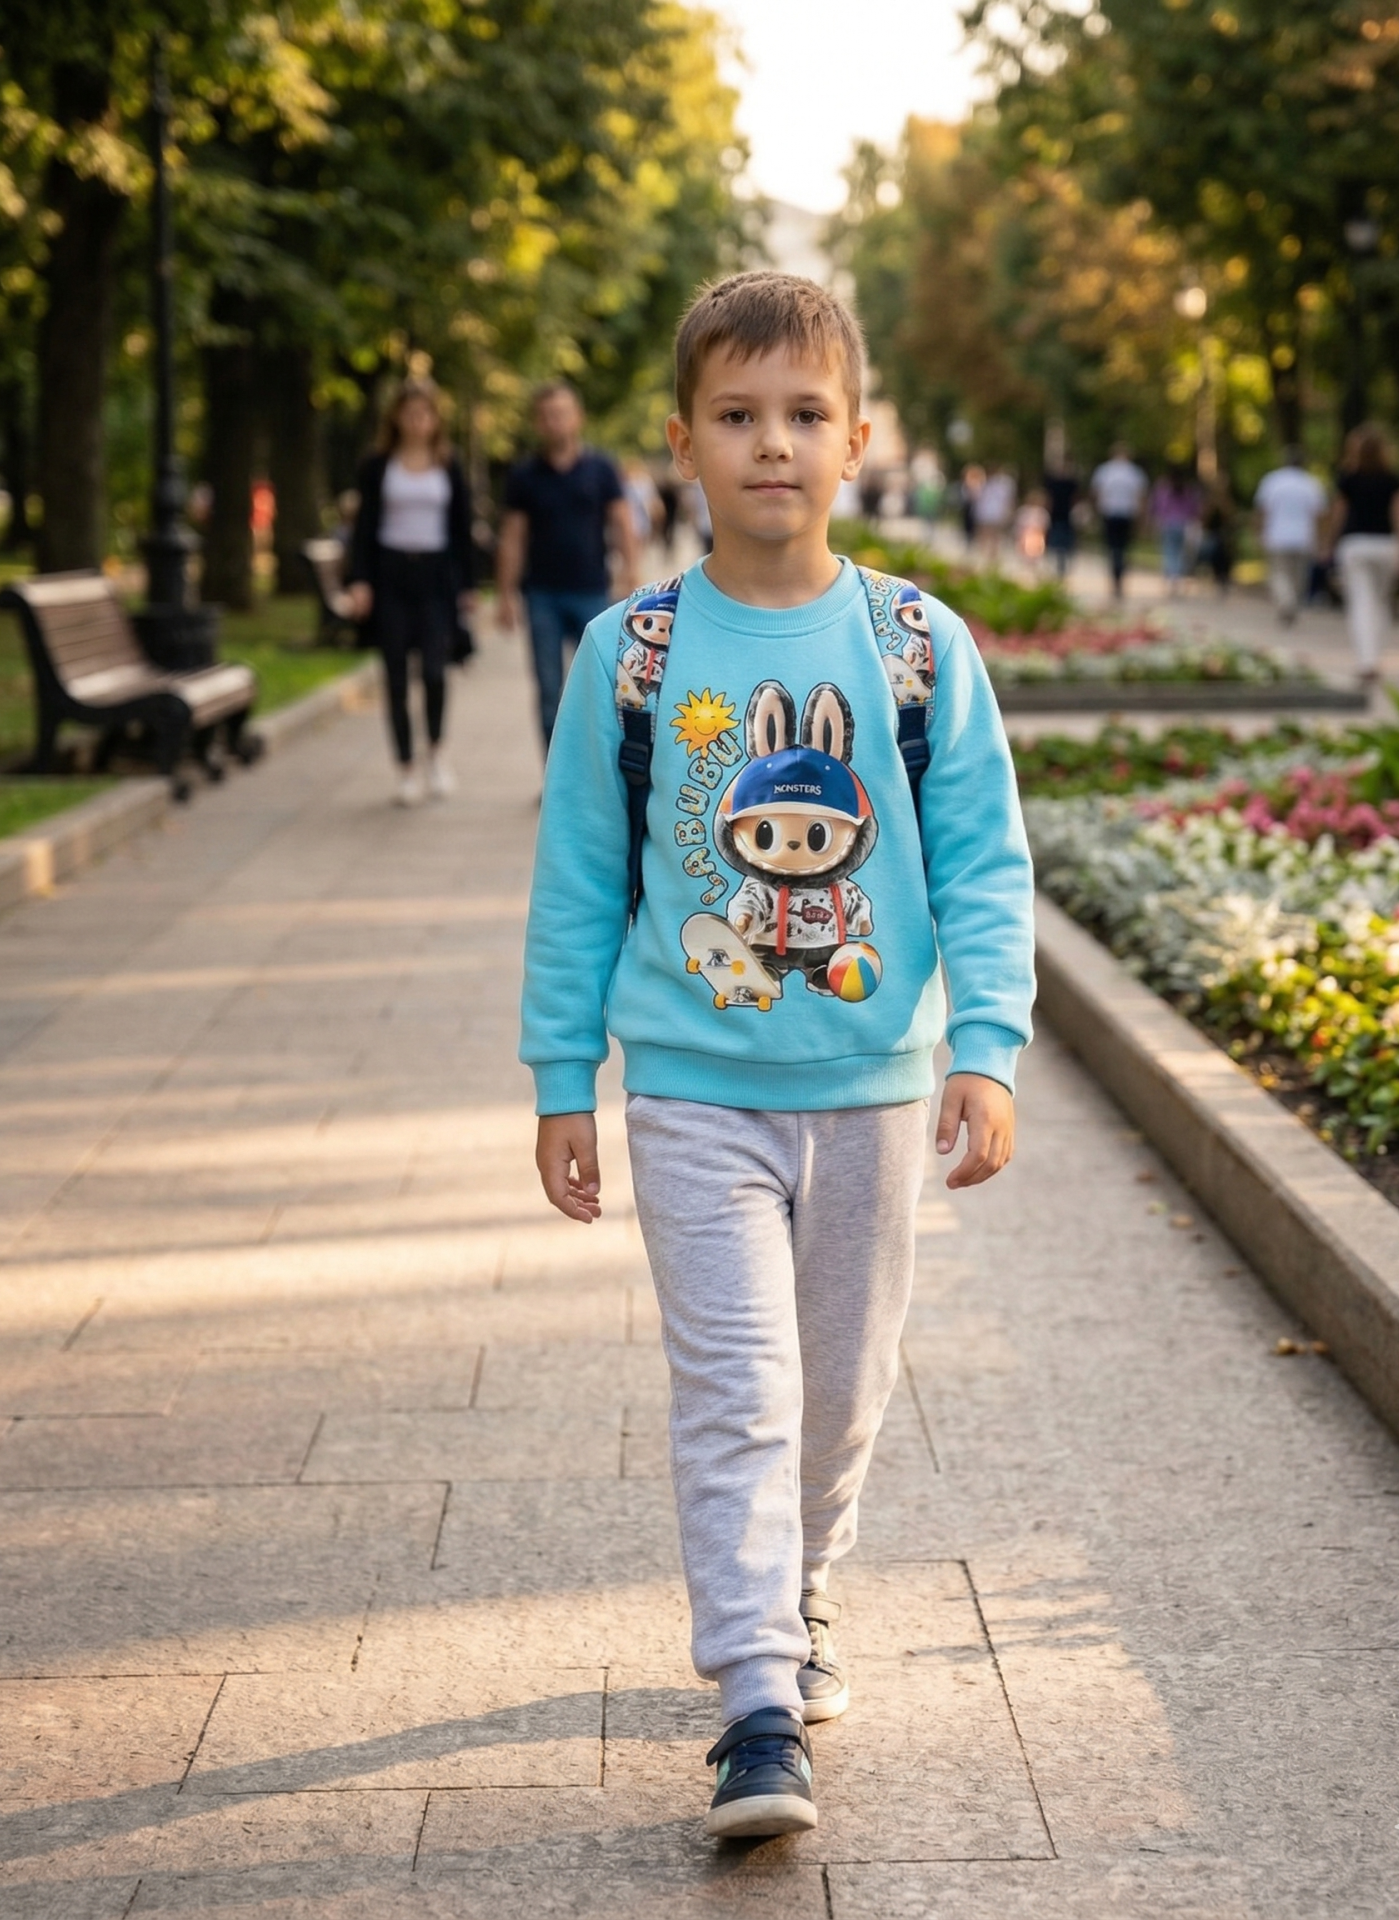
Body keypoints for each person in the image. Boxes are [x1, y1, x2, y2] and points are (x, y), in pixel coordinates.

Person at [519, 270, 1034, 1842]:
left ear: (854, 438)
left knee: (840, 1397)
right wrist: (563, 1081)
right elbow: (575, 882)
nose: (770, 446)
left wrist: (988, 1049)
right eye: (736, 417)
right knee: (737, 1387)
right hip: (688, 1088)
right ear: (680, 443)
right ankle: (751, 1703)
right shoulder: (632, 651)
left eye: (802, 415)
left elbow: (981, 862)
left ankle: (802, 1588)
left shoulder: (915, 647)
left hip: (871, 1092)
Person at [346, 377, 475, 806]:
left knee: (436, 672)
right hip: (390, 576)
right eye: (409, 413)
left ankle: (435, 753)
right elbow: (363, 529)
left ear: (435, 419)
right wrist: (359, 580)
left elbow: (461, 529)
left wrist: (467, 586)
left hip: (435, 578)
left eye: (425, 413)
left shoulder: (448, 464)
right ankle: (404, 767)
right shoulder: (378, 465)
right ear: (397, 417)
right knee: (396, 675)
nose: (418, 421)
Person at [498, 382, 638, 749]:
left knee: (601, 687)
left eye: (560, 413)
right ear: (537, 423)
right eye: (546, 416)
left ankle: (601, 779)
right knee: (549, 691)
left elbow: (622, 522)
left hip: (592, 591)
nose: (554, 422)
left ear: (577, 418)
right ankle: (555, 779)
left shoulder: (601, 469)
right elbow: (513, 537)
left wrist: (630, 573)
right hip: (541, 595)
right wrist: (505, 595)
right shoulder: (524, 476)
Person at [1326, 424, 1399, 688]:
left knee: (1361, 603)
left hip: (1355, 546)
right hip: (1387, 546)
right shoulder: (1393, 479)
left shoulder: (1347, 479)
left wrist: (1328, 543)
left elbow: (1338, 515)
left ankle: (1367, 661)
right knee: (1381, 602)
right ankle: (1374, 655)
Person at [1253, 448, 1326, 625]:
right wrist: (1321, 539)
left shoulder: (1272, 481)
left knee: (1279, 574)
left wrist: (1259, 532)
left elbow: (1262, 510)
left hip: (1277, 535)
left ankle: (1286, 601)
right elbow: (1319, 514)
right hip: (1304, 537)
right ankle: (1291, 602)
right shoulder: (1311, 483)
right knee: (1298, 576)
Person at [1091, 443, 1148, 598]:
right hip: (1127, 514)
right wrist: (1142, 519)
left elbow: (1097, 493)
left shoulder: (1104, 471)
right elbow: (1140, 496)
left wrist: (1096, 513)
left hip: (1110, 513)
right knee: (1122, 548)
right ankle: (1119, 576)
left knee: (1113, 548)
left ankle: (1116, 576)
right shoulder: (1135, 472)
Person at [1149, 461, 1201, 597]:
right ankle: (1176, 579)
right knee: (1179, 554)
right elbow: (1194, 510)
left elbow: (1157, 508)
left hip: (1167, 525)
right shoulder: (1188, 490)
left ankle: (1171, 580)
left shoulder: (1164, 490)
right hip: (1183, 525)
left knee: (1169, 553)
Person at [1197, 477, 1236, 594]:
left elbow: (1230, 518)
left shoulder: (1226, 502)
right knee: (1216, 558)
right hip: (1214, 534)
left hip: (1223, 535)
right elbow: (1205, 519)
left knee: (1224, 559)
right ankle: (1219, 579)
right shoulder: (1211, 502)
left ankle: (1223, 580)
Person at [1042, 458, 1079, 579]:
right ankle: (1058, 562)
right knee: (1057, 540)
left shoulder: (1070, 484)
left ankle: (1062, 562)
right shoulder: (1052, 483)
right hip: (1056, 515)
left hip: (1066, 515)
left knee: (1064, 540)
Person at [973, 465, 1017, 565]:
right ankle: (988, 556)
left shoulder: (1000, 484)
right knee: (990, 536)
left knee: (990, 536)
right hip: (991, 513)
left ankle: (989, 556)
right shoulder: (988, 483)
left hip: (991, 513)